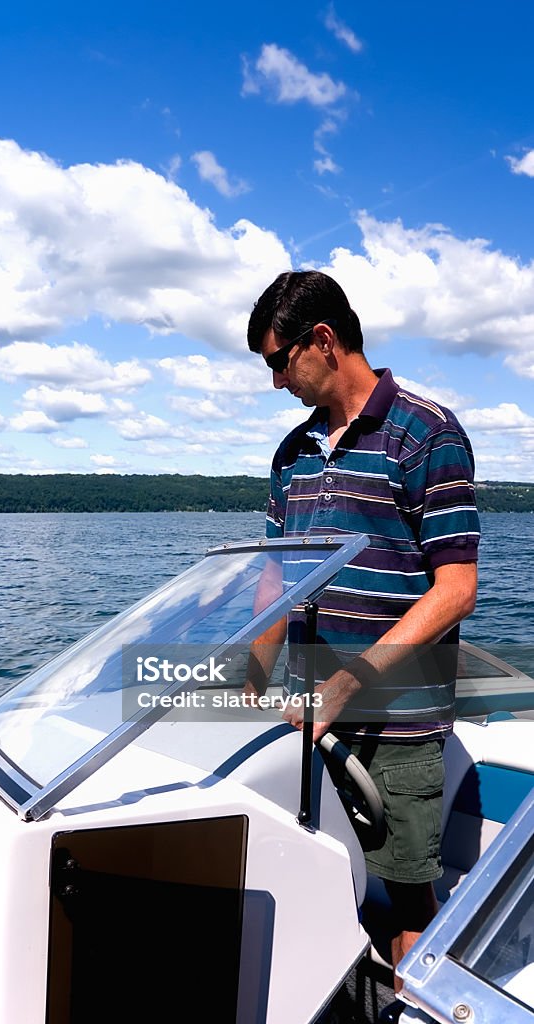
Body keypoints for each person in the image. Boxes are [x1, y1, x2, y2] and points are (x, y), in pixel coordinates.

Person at [243, 270, 480, 1018]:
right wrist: (247, 687)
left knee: (409, 898)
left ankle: (409, 1008)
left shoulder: (425, 433)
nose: (276, 382)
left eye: (280, 363)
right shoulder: (292, 453)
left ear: (323, 340)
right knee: (309, 873)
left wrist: (350, 683)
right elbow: (276, 577)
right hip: (306, 721)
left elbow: (455, 588)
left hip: (397, 719)